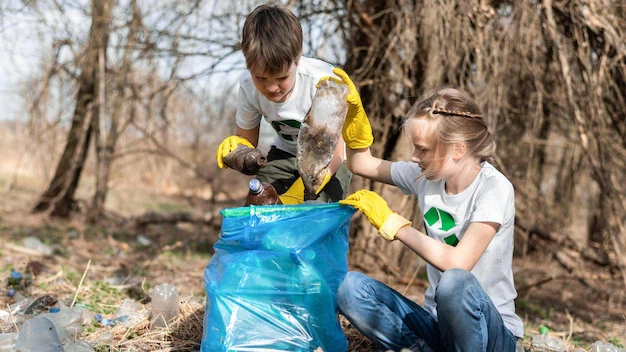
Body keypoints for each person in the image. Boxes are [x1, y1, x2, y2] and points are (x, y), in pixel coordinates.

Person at [334, 85, 524, 351]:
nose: (414, 157)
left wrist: (395, 225)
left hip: (492, 335)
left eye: (422, 149)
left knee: (454, 283)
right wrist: (354, 118)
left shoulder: (494, 188)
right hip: (438, 328)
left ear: (458, 149)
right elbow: (361, 164)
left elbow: (458, 262)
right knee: (348, 287)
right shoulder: (425, 176)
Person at [215, 2, 352, 204]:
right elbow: (247, 140)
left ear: (297, 58)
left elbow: (336, 153)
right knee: (260, 204)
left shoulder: (324, 84)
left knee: (313, 215)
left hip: (330, 160)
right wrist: (239, 151)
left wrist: (305, 190)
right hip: (287, 152)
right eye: (260, 78)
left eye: (281, 78)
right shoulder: (247, 85)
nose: (271, 88)